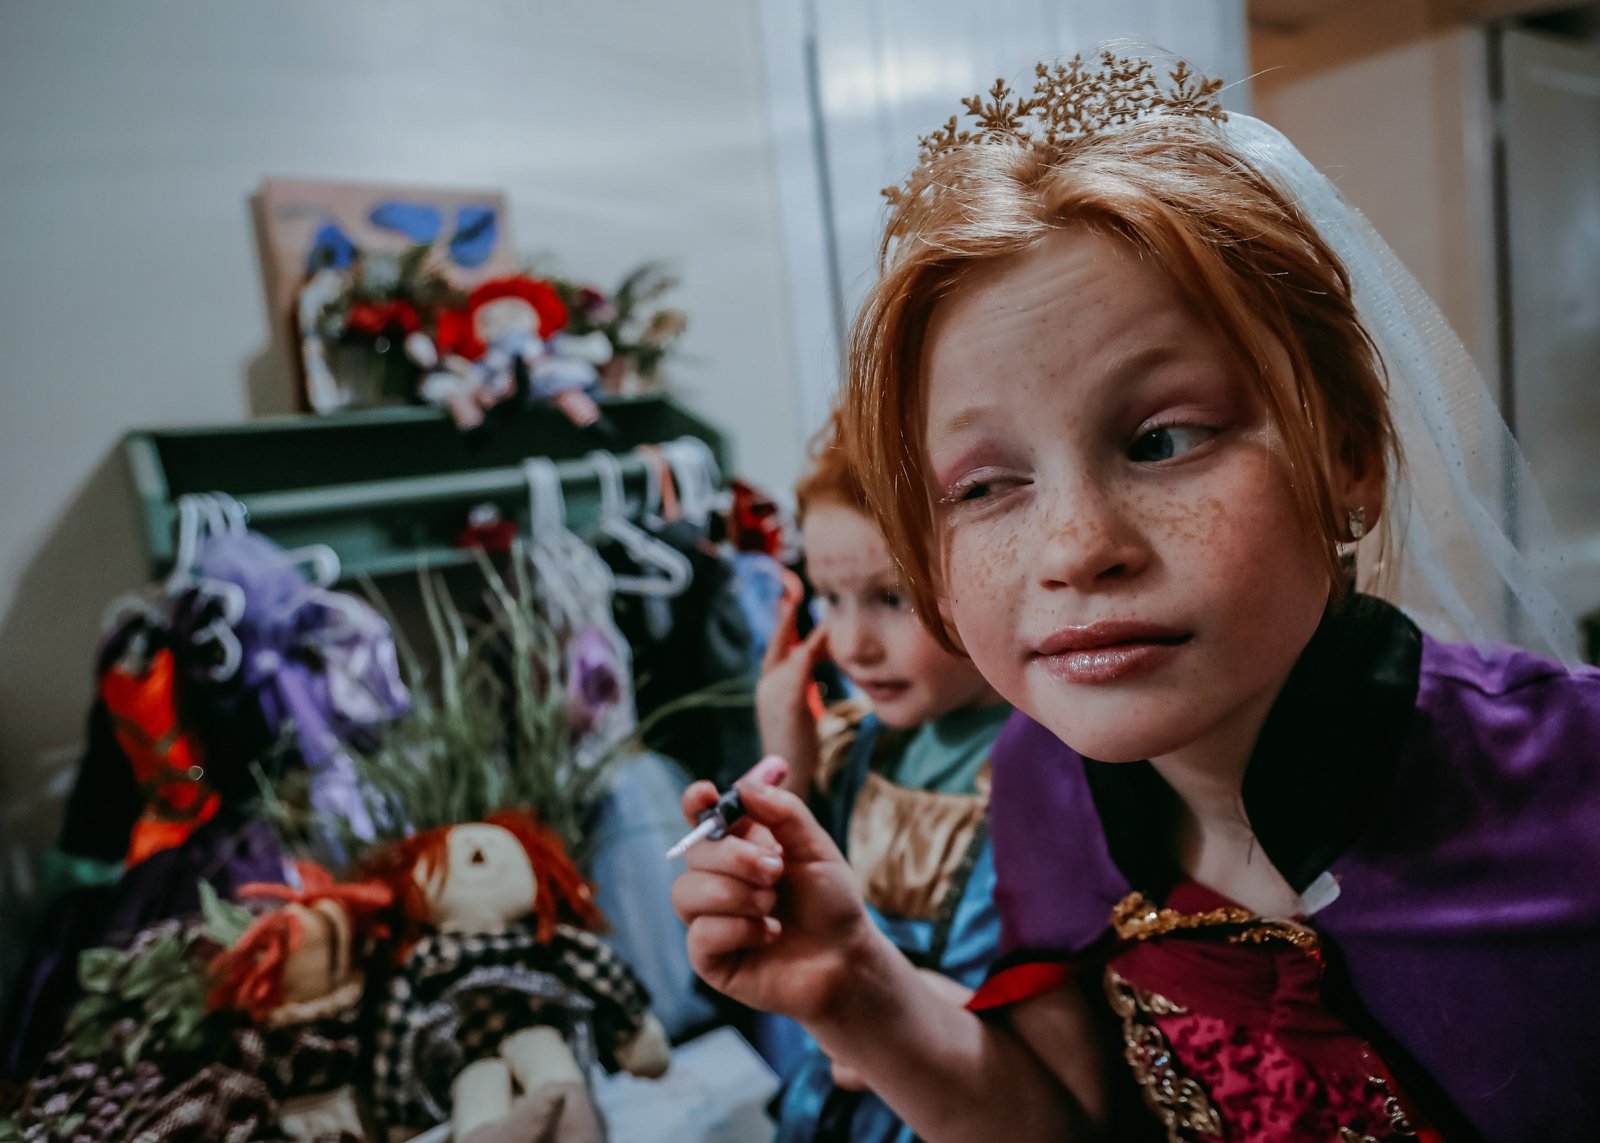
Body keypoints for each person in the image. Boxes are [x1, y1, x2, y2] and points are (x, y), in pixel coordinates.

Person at [671, 50, 1600, 1143]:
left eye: (1162, 440)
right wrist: (854, 987)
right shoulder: (1034, 778)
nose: (1075, 547)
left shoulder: (1574, 787)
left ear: (1345, 456)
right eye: (983, 485)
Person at [753, 411, 1010, 1143]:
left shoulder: (1048, 762)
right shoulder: (859, 743)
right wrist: (787, 758)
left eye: (891, 598)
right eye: (829, 600)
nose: (851, 644)